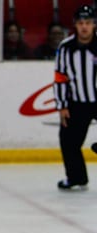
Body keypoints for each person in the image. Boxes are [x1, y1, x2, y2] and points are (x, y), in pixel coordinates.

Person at [53, 5, 97, 190]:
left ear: (95, 25)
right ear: (75, 25)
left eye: (88, 23)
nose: (84, 27)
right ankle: (76, 177)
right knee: (68, 141)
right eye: (80, 23)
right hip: (77, 102)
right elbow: (60, 77)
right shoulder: (65, 48)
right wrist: (62, 106)